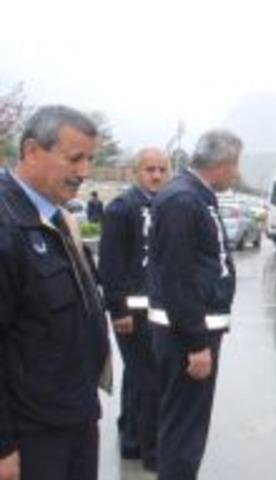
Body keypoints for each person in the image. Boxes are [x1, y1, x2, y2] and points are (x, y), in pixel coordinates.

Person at [0, 105, 110, 479]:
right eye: (74, 158)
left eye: (90, 159)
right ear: (32, 151)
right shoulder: (7, 226)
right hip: (32, 433)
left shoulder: (57, 219)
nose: (84, 172)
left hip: (76, 415)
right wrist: (3, 448)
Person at [148, 130, 242, 479]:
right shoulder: (182, 201)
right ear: (220, 164)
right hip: (186, 334)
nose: (235, 174)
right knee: (184, 426)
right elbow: (177, 279)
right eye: (234, 166)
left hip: (195, 329)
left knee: (188, 422)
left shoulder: (195, 196)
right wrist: (197, 343)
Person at [98, 148, 170, 471]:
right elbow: (110, 264)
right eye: (149, 169)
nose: (156, 175)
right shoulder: (122, 209)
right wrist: (118, 311)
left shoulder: (159, 205)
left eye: (161, 169)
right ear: (135, 172)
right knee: (150, 381)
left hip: (152, 313)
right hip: (130, 314)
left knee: (138, 379)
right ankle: (152, 455)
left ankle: (131, 441)